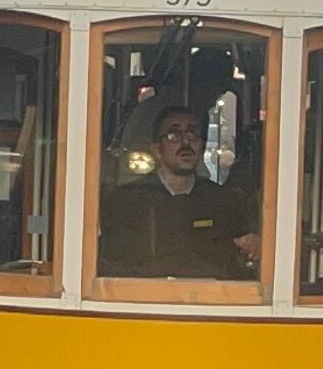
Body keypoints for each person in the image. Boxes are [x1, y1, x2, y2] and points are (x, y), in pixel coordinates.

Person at [99, 104, 258, 279]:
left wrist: (252, 246)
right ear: (157, 149)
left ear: (202, 146)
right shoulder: (127, 202)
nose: (185, 143)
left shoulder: (223, 202)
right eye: (174, 135)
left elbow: (238, 263)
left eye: (192, 135)